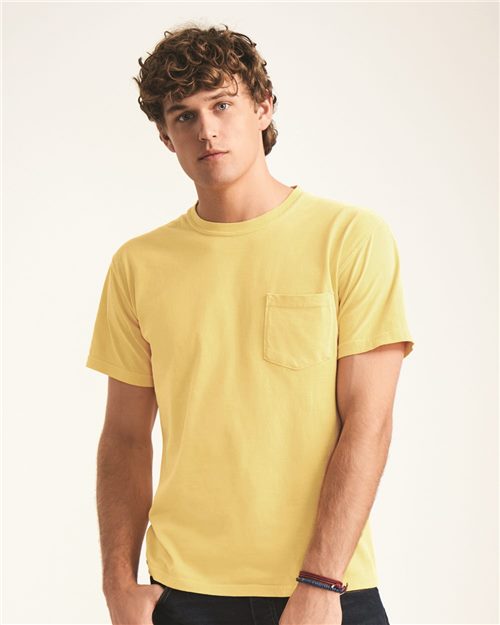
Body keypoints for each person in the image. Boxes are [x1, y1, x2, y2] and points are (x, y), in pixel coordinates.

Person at [86, 22, 415, 625]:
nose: (206, 130)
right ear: (165, 137)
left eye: (222, 104)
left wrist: (320, 583)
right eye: (184, 116)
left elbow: (369, 423)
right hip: (183, 595)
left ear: (262, 107)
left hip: (327, 587)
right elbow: (125, 437)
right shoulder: (138, 264)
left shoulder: (349, 238)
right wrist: (117, 586)